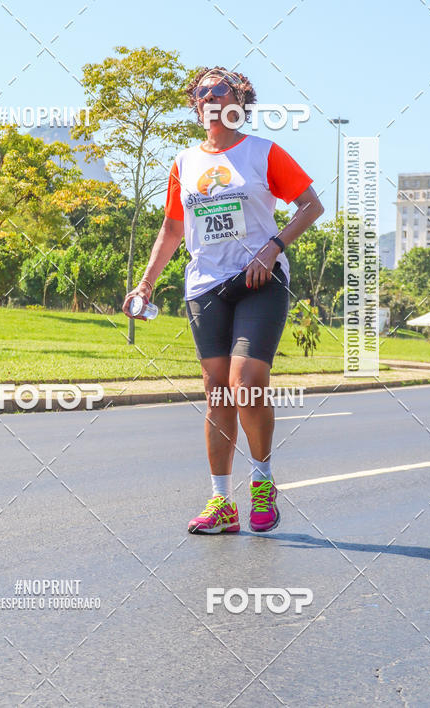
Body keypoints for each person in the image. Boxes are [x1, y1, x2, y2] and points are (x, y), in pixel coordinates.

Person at [122, 66, 324, 534]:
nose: (211, 96)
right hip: (205, 285)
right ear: (195, 105)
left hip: (260, 279)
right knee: (217, 392)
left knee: (246, 379)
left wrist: (273, 248)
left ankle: (262, 482)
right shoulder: (184, 163)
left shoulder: (263, 152)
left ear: (239, 101)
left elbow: (311, 205)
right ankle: (221, 503)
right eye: (202, 91)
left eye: (221, 89)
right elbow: (173, 229)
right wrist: (146, 283)